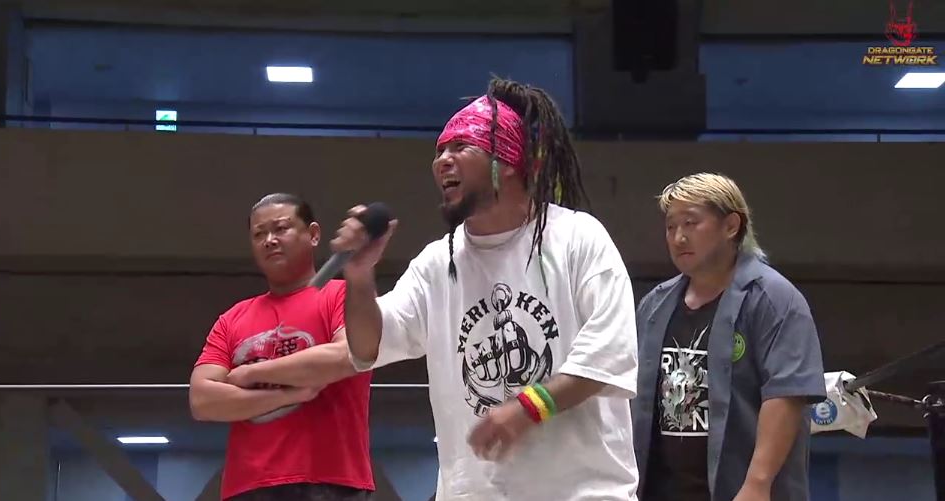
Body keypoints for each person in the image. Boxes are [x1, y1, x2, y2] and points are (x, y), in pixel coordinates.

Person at [330, 78, 640, 500]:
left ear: (507, 161)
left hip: (582, 491)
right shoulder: (437, 262)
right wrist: (360, 276)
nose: (443, 161)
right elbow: (368, 346)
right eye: (439, 151)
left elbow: (608, 354)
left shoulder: (576, 237)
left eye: (460, 147)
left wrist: (528, 408)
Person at [631, 173, 826, 501]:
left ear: (731, 226)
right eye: (670, 226)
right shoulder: (655, 305)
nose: (679, 237)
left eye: (691, 223)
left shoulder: (775, 299)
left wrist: (757, 484)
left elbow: (786, 395)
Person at [189, 193, 374, 501]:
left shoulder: (343, 295)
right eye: (259, 234)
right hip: (247, 486)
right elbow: (202, 399)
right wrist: (289, 394)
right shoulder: (232, 318)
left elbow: (348, 356)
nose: (269, 240)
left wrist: (250, 375)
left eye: (281, 228)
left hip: (332, 482)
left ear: (313, 234)